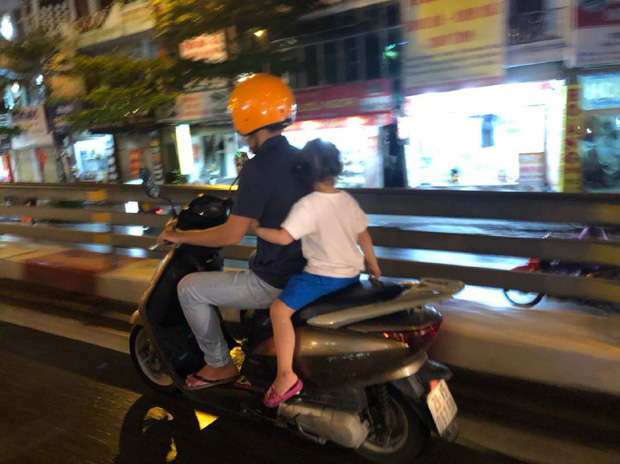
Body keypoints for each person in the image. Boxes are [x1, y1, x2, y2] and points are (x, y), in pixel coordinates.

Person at [157, 74, 310, 389]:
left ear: (248, 115)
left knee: (189, 288)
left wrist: (180, 236)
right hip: (306, 268)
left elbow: (230, 236)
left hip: (277, 280)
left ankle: (219, 364)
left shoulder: (259, 167)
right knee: (255, 255)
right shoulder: (299, 158)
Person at [253, 139, 381, 407]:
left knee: (278, 311)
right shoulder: (347, 200)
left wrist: (255, 228)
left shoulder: (308, 204)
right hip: (350, 276)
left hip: (321, 278)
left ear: (304, 172)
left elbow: (284, 237)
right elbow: (363, 235)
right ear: (336, 168)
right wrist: (373, 264)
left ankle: (285, 376)